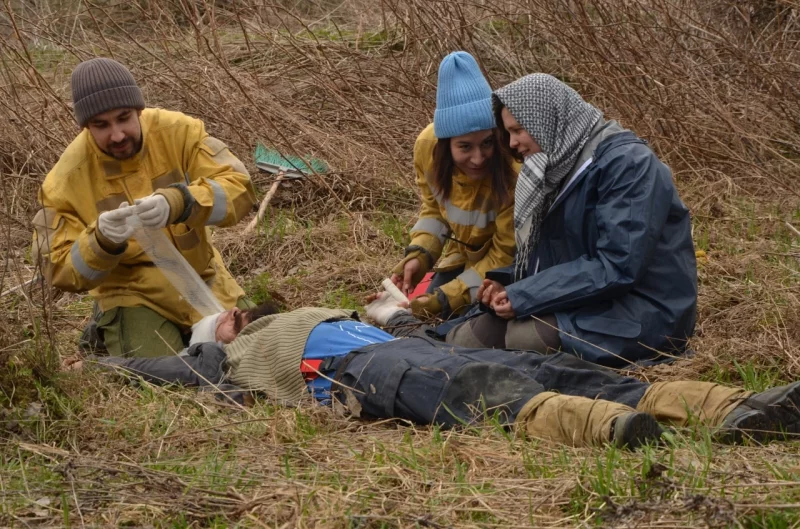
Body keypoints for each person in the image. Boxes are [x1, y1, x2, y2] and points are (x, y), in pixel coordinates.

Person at [71, 292, 800, 449]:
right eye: (224, 317)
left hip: (395, 343)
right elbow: (165, 371)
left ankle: (729, 407)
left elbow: (417, 329)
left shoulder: (301, 312)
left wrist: (394, 312)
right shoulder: (221, 357)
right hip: (355, 370)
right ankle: (611, 430)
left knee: (558, 364)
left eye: (234, 313)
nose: (233, 314)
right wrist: (102, 365)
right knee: (470, 393)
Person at [442, 74, 698, 368]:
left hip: (644, 310)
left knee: (524, 339)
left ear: (546, 119)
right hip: (589, 299)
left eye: (518, 130)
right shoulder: (558, 163)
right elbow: (556, 255)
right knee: (466, 339)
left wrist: (525, 295)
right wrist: (506, 283)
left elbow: (618, 264)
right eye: (509, 132)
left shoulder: (629, 164)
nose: (512, 143)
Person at [31, 58, 257, 358]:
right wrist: (101, 241)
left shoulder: (180, 132)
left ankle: (113, 334)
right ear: (86, 126)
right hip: (133, 295)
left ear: (139, 109)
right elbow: (54, 265)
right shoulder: (64, 181)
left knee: (255, 349)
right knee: (166, 374)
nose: (117, 135)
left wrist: (181, 202)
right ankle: (107, 327)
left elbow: (240, 187)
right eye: (101, 125)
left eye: (124, 118)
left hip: (201, 277)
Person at [391, 51, 519, 319]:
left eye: (487, 143)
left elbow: (505, 254)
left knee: (448, 316)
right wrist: (421, 255)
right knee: (420, 316)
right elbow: (434, 211)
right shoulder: (427, 149)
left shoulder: (514, 168)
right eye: (464, 147)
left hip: (508, 268)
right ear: (445, 144)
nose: (478, 158)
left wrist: (445, 299)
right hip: (464, 259)